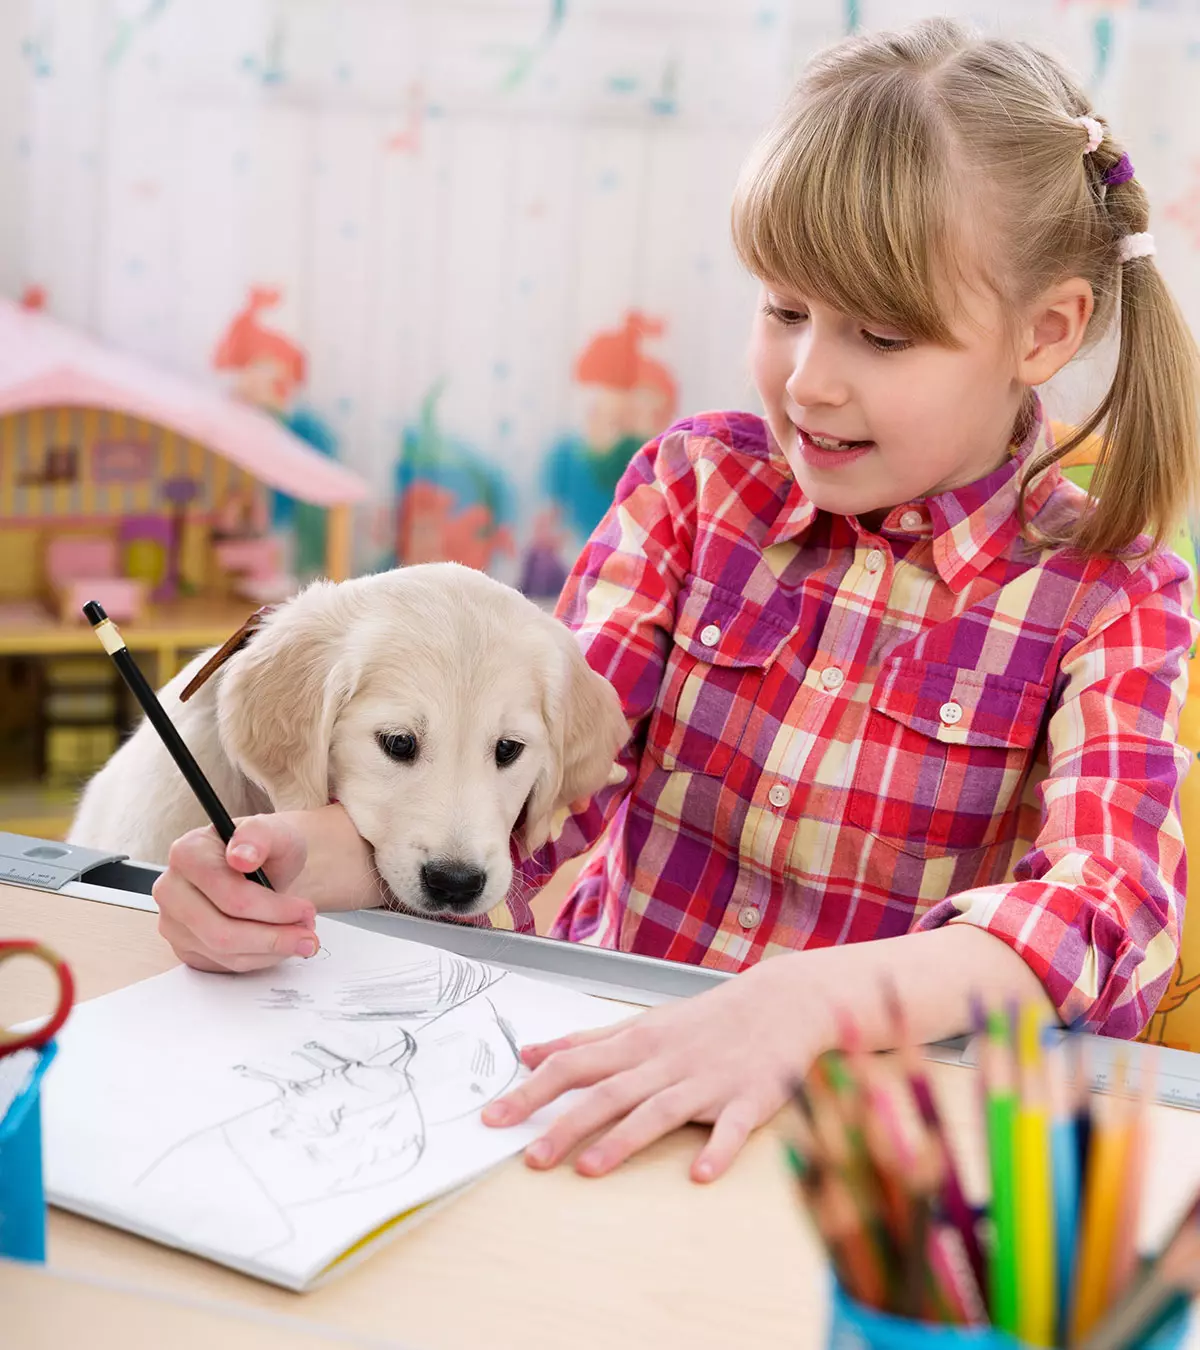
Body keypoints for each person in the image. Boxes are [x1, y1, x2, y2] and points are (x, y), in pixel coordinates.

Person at [152, 18, 1199, 1185]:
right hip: (610, 1080)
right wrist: (296, 863)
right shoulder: (695, 490)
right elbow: (545, 803)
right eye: (784, 310)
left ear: (1045, 332)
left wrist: (801, 1006)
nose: (810, 378)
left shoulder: (1117, 595)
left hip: (883, 1160)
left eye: (883, 334)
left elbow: (1107, 917)